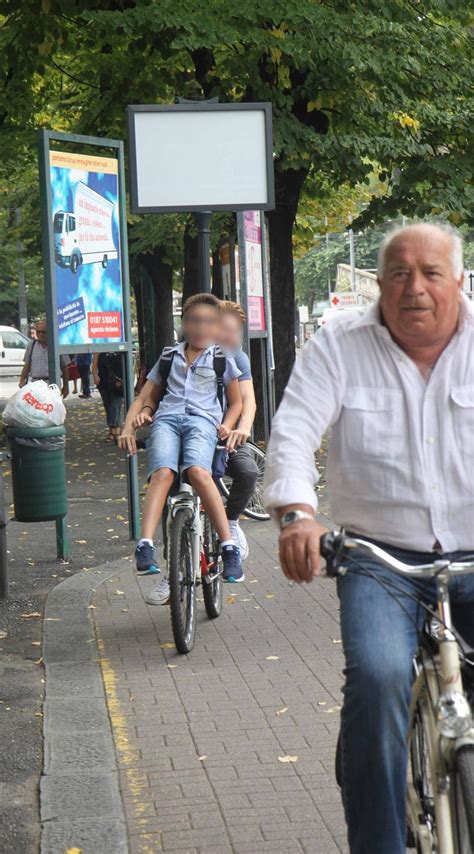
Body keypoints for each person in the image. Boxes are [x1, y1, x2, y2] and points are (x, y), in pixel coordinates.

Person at [263, 222, 474, 854]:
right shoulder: (339, 345)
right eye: (400, 274)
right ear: (378, 283)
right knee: (379, 677)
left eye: (431, 273)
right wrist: (298, 513)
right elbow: (295, 429)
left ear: (459, 281)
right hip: (378, 557)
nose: (415, 288)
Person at [118, 293, 244, 583]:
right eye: (195, 320)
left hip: (203, 422)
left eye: (209, 322)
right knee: (161, 474)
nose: (202, 327)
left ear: (216, 327)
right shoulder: (169, 356)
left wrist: (227, 425)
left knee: (199, 472)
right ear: (185, 323)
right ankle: (145, 546)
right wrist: (129, 427)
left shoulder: (222, 358)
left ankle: (229, 547)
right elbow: (145, 397)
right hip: (166, 421)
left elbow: (236, 403)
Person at [146, 300, 258, 605]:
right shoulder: (183, 355)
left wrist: (241, 428)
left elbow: (246, 401)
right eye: (224, 329)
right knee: (173, 497)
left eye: (234, 331)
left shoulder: (235, 359)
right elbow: (153, 393)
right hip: (188, 429)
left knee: (247, 472)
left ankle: (230, 524)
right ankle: (173, 572)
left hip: (225, 436)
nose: (228, 336)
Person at [19, 319, 69, 397]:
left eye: (44, 332)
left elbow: (65, 367)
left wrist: (66, 386)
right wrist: (22, 380)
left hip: (52, 384)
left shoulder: (56, 345)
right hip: (35, 384)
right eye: (38, 332)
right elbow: (27, 365)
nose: (41, 334)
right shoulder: (31, 345)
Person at [92, 352, 124, 442]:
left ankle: (114, 430)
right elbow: (94, 363)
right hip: (104, 381)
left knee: (115, 405)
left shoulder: (121, 349)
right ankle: (114, 428)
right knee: (108, 405)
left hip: (118, 383)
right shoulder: (100, 349)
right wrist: (95, 375)